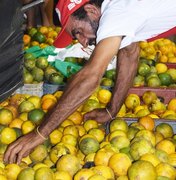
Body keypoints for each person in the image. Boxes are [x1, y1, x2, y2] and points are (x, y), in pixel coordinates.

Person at [4, 0, 176, 164]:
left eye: (78, 31)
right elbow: (129, 52)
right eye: (76, 36)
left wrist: (40, 134)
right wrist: (111, 110)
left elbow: (90, 77)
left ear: (92, 11)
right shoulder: (122, 12)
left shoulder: (116, 11)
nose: (82, 41)